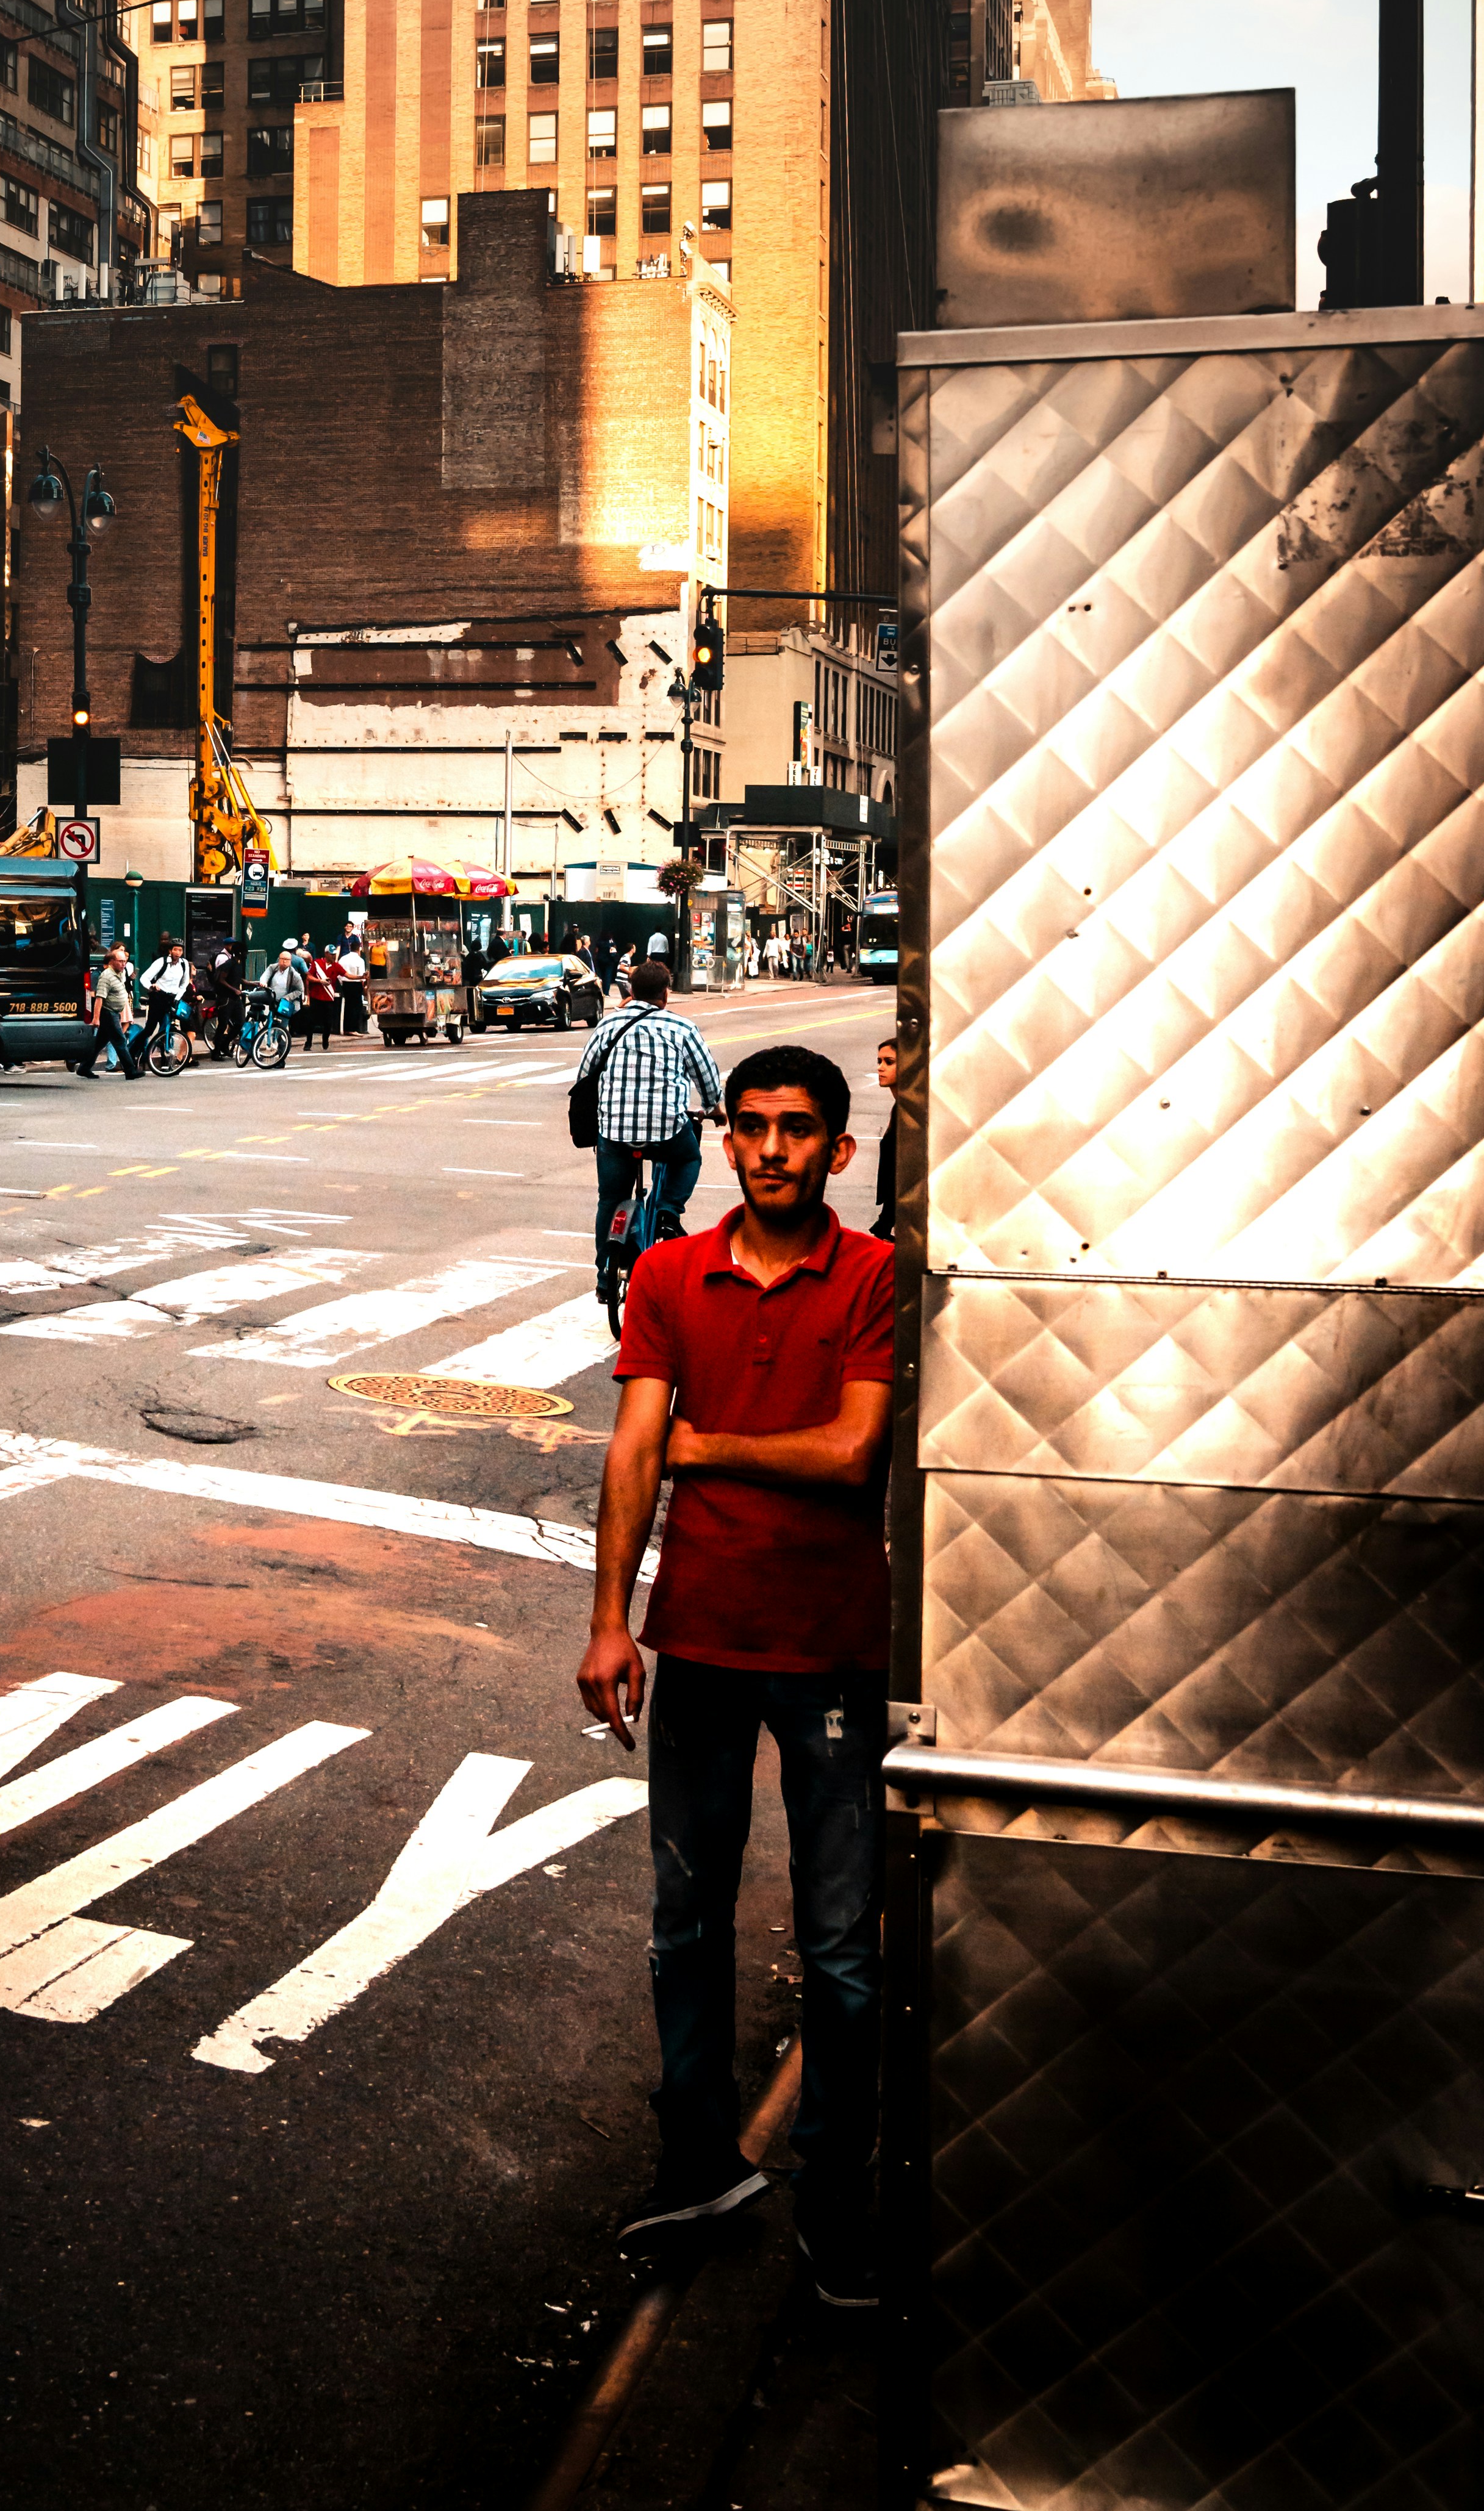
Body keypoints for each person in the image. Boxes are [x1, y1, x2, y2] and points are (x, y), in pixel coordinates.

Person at [578, 1044, 892, 2302]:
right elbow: (631, 1452)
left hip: (832, 1649)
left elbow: (855, 1450)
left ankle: (836, 2198)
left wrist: (704, 1443)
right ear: (725, 1139)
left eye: (797, 1128)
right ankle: (698, 2160)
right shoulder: (668, 1273)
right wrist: (609, 1622)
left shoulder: (871, 1275)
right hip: (698, 1640)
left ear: (837, 1150)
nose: (771, 1148)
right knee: (686, 1924)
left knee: (843, 1948)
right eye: (752, 1126)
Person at [587, 956, 723, 1328]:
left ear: (631, 991)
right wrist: (714, 1108)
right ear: (666, 993)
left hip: (614, 1132)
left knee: (609, 1199)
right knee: (688, 1158)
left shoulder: (608, 1023)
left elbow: (586, 1074)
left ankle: (605, 1275)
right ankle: (667, 1212)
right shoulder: (681, 1027)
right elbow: (708, 1079)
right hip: (666, 1131)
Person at [135, 937, 193, 1072]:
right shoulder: (161, 962)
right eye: (175, 950)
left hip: (172, 999)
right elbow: (144, 978)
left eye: (180, 950)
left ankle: (165, 1060)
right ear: (170, 951)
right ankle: (134, 1051)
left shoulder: (184, 964)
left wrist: (177, 998)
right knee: (150, 1030)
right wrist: (151, 986)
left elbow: (184, 984)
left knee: (167, 1029)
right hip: (158, 997)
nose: (178, 953)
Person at [88, 941, 138, 1075]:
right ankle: (130, 1071)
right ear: (112, 962)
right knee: (120, 1040)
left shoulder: (120, 973)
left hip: (115, 1012)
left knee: (99, 1044)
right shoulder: (106, 976)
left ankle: (84, 1068)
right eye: (120, 961)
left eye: (125, 961)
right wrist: (96, 1018)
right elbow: (99, 998)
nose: (124, 964)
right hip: (109, 1013)